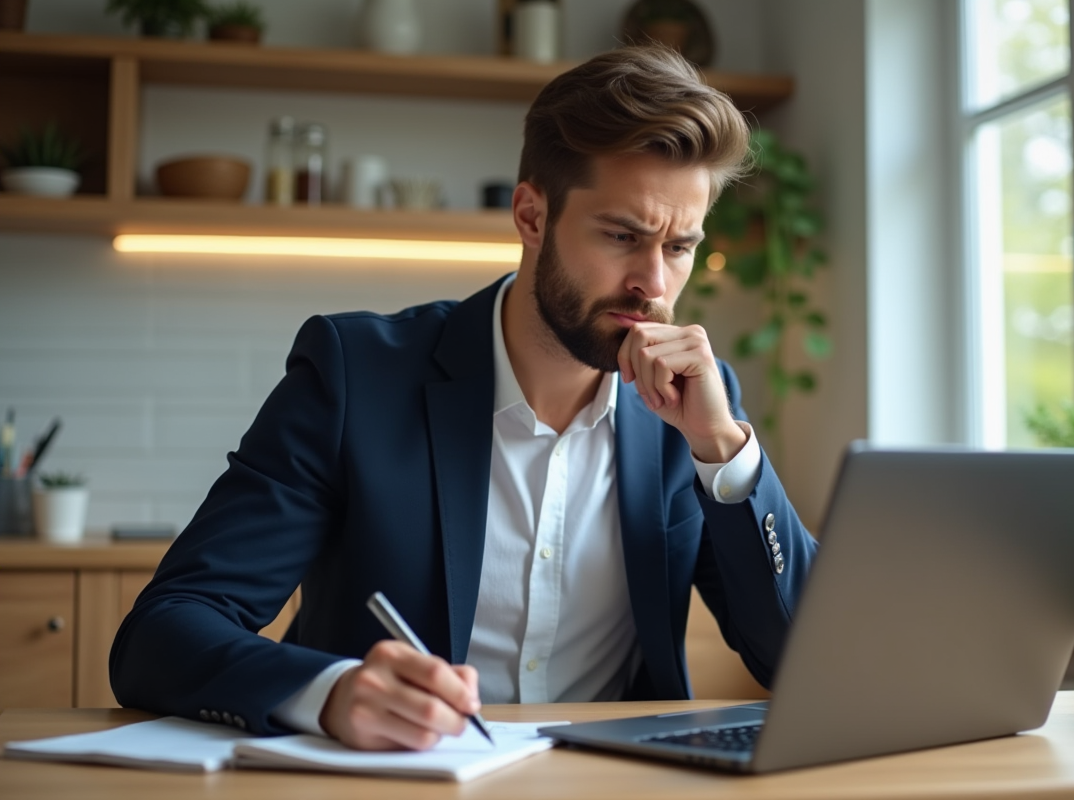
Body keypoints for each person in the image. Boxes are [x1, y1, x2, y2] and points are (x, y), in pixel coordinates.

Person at [110, 43, 819, 752]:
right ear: (532, 216)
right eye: (622, 236)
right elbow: (165, 630)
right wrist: (329, 694)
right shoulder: (355, 376)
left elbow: (806, 662)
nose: (654, 285)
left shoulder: (698, 406)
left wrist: (725, 456)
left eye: (678, 247)